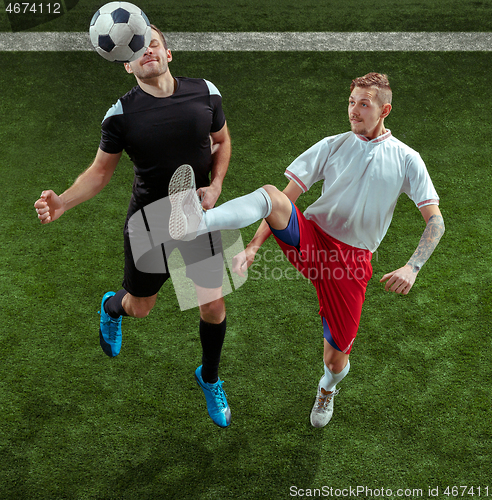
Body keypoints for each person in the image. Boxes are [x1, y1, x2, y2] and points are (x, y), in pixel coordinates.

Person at [168, 73, 445, 428]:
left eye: (364, 104)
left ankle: (328, 389)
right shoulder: (331, 145)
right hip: (311, 239)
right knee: (271, 193)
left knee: (335, 361)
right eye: (351, 103)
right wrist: (252, 247)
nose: (354, 111)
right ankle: (197, 221)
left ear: (384, 110)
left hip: (350, 263)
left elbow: (435, 221)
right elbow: (284, 199)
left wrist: (413, 267)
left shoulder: (407, 159)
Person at [34, 26, 233, 428]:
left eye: (153, 43)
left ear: (168, 53)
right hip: (149, 222)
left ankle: (209, 377)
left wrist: (215, 187)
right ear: (127, 64)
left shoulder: (205, 92)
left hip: (195, 213)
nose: (148, 51)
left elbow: (222, 141)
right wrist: (63, 203)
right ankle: (112, 305)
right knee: (140, 308)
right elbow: (100, 172)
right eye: (138, 49)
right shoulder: (121, 115)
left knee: (212, 305)